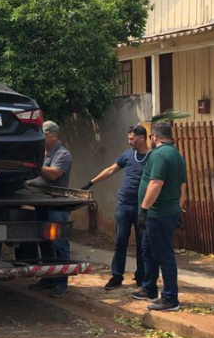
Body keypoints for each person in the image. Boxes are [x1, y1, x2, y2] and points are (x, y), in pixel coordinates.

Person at [81, 125, 149, 290]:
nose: (129, 141)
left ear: (141, 137)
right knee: (120, 241)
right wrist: (91, 183)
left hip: (142, 207)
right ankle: (116, 276)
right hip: (124, 206)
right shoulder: (127, 155)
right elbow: (111, 170)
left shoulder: (152, 157)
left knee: (142, 244)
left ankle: (141, 277)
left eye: (131, 138)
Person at [132, 122, 187, 312]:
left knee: (164, 255)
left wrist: (144, 209)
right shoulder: (176, 155)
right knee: (148, 250)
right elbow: (183, 188)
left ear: (154, 137)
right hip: (166, 212)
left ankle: (170, 298)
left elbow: (155, 183)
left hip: (158, 214)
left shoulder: (159, 155)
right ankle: (149, 288)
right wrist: (178, 209)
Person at [27, 120, 73, 298]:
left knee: (59, 244)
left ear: (53, 135)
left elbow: (54, 174)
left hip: (56, 206)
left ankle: (62, 283)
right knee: (44, 242)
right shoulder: (42, 153)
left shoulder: (63, 154)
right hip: (42, 204)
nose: (41, 138)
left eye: (44, 135)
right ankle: (48, 278)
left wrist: (35, 165)